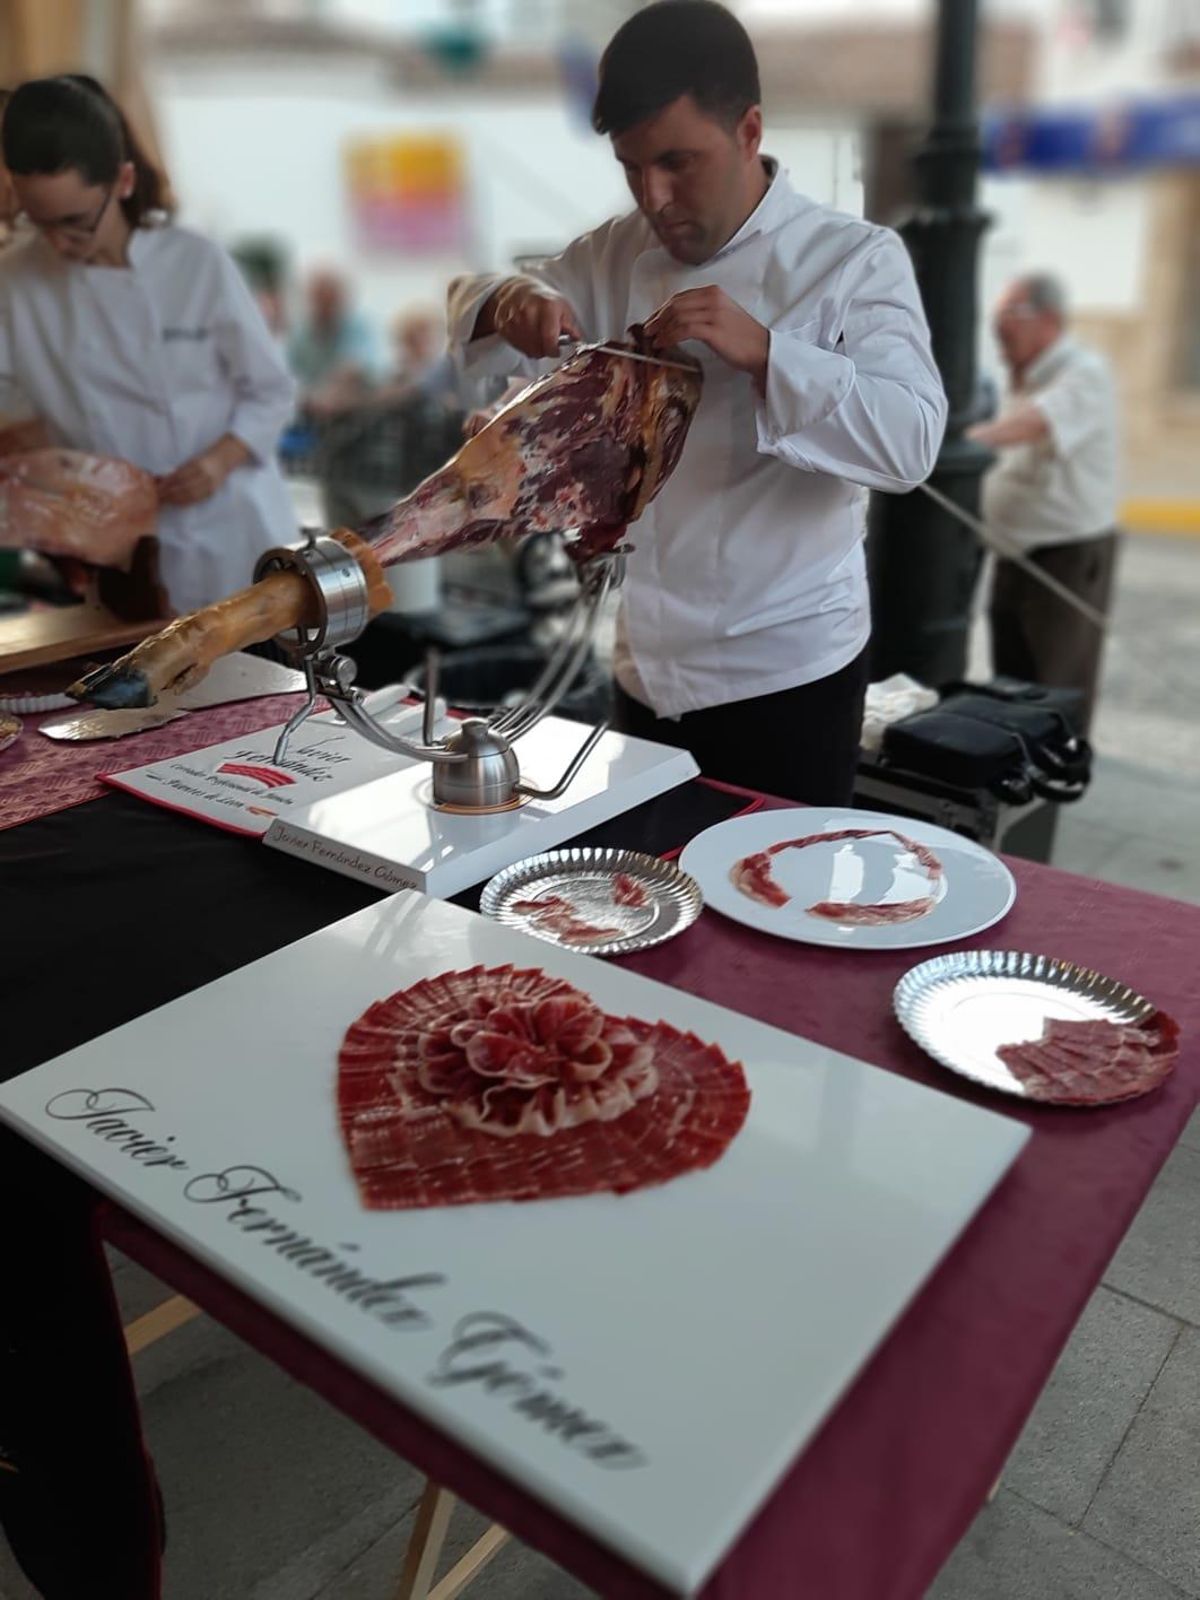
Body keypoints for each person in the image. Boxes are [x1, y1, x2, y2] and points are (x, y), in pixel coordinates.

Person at [447, 0, 945, 804]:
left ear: (749, 131)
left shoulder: (853, 260)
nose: (657, 196)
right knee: (641, 892)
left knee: (775, 908)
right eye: (633, 168)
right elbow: (477, 304)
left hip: (788, 671)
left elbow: (912, 444)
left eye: (680, 162)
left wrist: (768, 353)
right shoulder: (612, 253)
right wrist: (511, 302)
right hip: (643, 664)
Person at [0, 75, 298, 616]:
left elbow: (273, 390)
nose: (57, 243)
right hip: (117, 556)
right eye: (37, 222)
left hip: (233, 532)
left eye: (74, 223)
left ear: (123, 180)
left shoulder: (194, 265)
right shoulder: (15, 280)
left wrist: (219, 460)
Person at [968, 273, 1120, 731]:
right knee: (1011, 682)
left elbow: (1032, 425)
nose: (999, 326)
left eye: (1011, 314)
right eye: (997, 315)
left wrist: (955, 444)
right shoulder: (1022, 374)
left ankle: (1050, 787)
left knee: (1055, 685)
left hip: (1064, 555)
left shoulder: (1083, 372)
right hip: (1015, 552)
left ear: (1049, 320)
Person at [287, 266, 379, 414]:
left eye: (330, 299)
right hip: (314, 404)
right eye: (319, 299)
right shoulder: (301, 332)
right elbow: (289, 371)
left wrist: (331, 391)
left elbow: (357, 365)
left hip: (351, 404)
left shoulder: (358, 325)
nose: (324, 307)